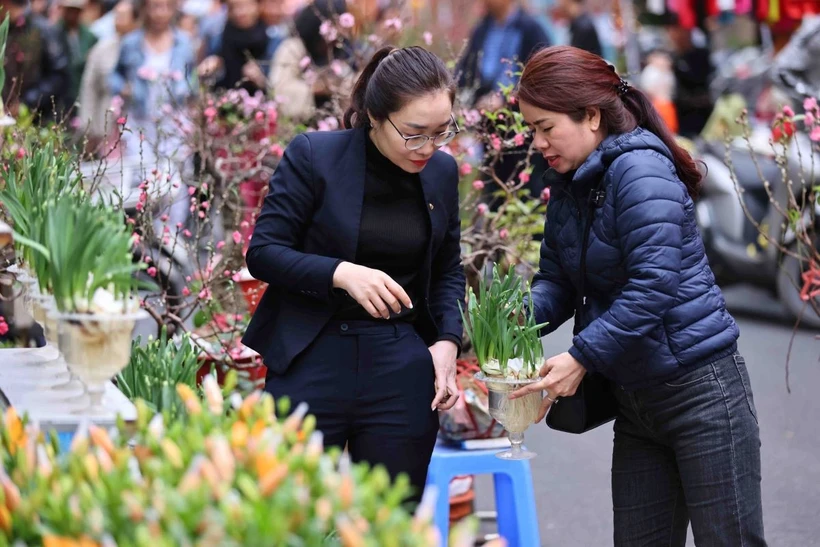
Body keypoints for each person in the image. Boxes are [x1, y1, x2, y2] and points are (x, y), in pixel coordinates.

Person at [510, 46, 765, 546]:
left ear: (590, 115)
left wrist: (581, 356)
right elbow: (557, 282)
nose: (537, 142)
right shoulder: (570, 182)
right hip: (635, 402)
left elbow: (654, 285)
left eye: (545, 127)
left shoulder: (640, 170)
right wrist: (504, 323)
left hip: (701, 393)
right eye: (531, 129)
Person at [243, 46, 466, 503]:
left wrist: (446, 342)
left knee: (389, 518)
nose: (428, 148)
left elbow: (447, 269)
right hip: (312, 354)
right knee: (290, 514)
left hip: (399, 363)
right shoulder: (314, 156)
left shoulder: (441, 172)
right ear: (373, 117)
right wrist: (341, 273)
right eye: (414, 134)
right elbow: (263, 252)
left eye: (442, 132)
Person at [267, 0, 354, 122]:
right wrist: (317, 88)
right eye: (334, 24)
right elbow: (279, 90)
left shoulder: (342, 48)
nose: (339, 30)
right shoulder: (293, 47)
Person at [77, 0, 139, 153]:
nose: (117, 21)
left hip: (139, 123)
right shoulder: (103, 48)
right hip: (107, 124)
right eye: (116, 16)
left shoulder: (144, 47)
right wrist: (88, 126)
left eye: (123, 17)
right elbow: (89, 87)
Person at [1, 0, 70, 119]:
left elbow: (58, 76)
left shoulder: (42, 30)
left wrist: (26, 103)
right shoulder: (7, 29)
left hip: (39, 118)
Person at [198, 0, 270, 93]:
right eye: (232, 7)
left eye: (244, 6)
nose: (239, 12)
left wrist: (261, 79)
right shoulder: (218, 37)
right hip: (226, 101)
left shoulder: (271, 38)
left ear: (257, 6)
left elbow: (278, 84)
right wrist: (212, 67)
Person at [665, 14, 713, 138]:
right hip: (681, 119)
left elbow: (704, 82)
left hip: (701, 118)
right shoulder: (671, 57)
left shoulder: (701, 55)